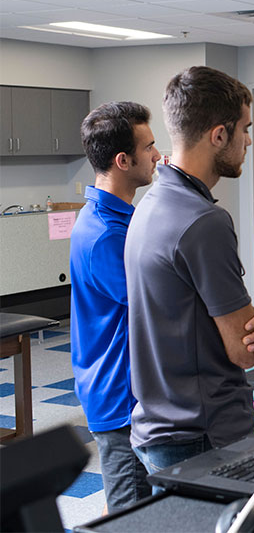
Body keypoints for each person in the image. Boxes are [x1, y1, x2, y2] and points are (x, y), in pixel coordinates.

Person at [125, 66, 254, 478]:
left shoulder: (149, 205)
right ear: (218, 135)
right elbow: (244, 350)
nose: (248, 141)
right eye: (244, 129)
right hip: (202, 432)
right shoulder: (204, 221)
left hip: (159, 423)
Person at [70, 102, 160, 513]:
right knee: (130, 514)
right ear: (123, 161)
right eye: (150, 147)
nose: (158, 155)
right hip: (118, 397)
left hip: (133, 389)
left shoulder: (121, 218)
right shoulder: (105, 233)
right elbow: (156, 301)